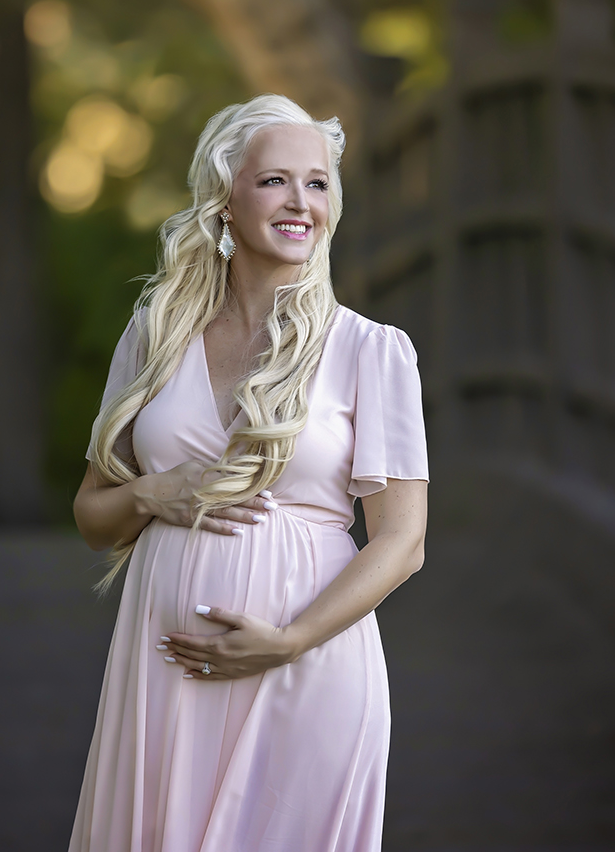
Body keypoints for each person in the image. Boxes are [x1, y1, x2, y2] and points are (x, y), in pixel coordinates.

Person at [69, 93, 429, 852]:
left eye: (319, 182)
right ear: (225, 198)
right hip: (167, 674)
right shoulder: (157, 333)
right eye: (275, 181)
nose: (301, 202)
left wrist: (291, 640)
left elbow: (402, 543)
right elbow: (92, 517)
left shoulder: (372, 350)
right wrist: (149, 492)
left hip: (309, 667)